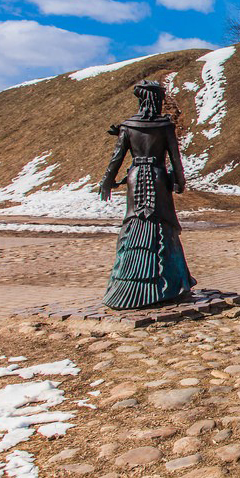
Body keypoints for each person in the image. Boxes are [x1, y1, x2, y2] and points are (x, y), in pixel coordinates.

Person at [99, 80, 196, 309]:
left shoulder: (128, 126)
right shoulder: (164, 125)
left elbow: (117, 158)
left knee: (134, 224)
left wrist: (106, 182)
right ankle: (171, 284)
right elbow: (175, 159)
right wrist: (180, 182)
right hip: (158, 178)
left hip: (136, 177)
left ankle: (126, 284)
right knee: (163, 228)